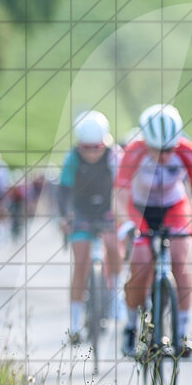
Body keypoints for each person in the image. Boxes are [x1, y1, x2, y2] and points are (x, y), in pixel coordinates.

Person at [115, 104, 192, 359]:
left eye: (169, 149)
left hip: (174, 206)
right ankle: (130, 326)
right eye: (157, 150)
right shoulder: (134, 151)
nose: (164, 155)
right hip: (139, 209)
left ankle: (182, 333)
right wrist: (126, 224)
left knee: (181, 261)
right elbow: (119, 196)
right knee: (140, 266)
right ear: (145, 142)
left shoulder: (187, 151)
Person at [58, 110, 123, 340]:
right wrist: (65, 217)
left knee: (114, 247)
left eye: (96, 148)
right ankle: (75, 325)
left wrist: (120, 216)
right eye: (86, 148)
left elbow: (122, 189)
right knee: (81, 263)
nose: (92, 153)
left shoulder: (115, 156)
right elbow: (63, 192)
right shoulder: (72, 158)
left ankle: (115, 296)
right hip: (81, 211)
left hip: (107, 208)